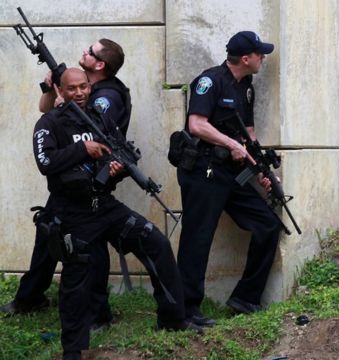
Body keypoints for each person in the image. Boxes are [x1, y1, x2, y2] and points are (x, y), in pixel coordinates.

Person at [32, 68, 201, 360]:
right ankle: (73, 350)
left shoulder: (101, 119)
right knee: (76, 282)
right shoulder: (49, 123)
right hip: (73, 213)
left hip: (106, 207)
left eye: (84, 87)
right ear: (61, 90)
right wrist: (83, 149)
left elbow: (114, 156)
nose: (80, 93)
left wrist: (114, 171)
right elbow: (46, 162)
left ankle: (174, 320)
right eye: (72, 88)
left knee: (156, 243)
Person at [1, 39, 131, 328]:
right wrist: (52, 89)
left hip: (92, 184)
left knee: (92, 248)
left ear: (98, 66)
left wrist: (65, 100)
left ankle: (97, 313)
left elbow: (94, 132)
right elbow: (46, 111)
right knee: (49, 233)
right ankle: (30, 296)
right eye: (73, 87)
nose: (83, 51)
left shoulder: (105, 97)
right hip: (69, 181)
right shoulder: (82, 90)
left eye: (90, 52)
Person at [176, 31, 281, 325]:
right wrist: (231, 144)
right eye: (260, 54)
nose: (263, 58)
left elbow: (248, 132)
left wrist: (260, 168)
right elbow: (196, 124)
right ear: (246, 58)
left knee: (268, 224)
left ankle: (246, 298)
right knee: (197, 239)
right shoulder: (210, 81)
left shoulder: (246, 86)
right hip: (203, 171)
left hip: (231, 173)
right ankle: (186, 311)